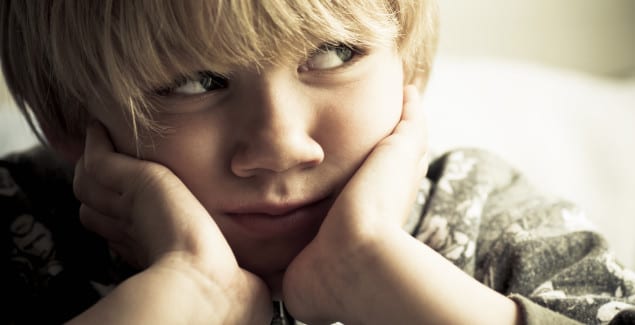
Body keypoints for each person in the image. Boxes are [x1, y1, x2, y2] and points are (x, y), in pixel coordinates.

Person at [1, 1, 634, 324]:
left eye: (333, 53)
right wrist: (186, 293)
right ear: (68, 120)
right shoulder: (21, 220)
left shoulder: (480, 207)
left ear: (406, 64)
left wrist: (377, 272)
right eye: (195, 82)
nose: (282, 146)